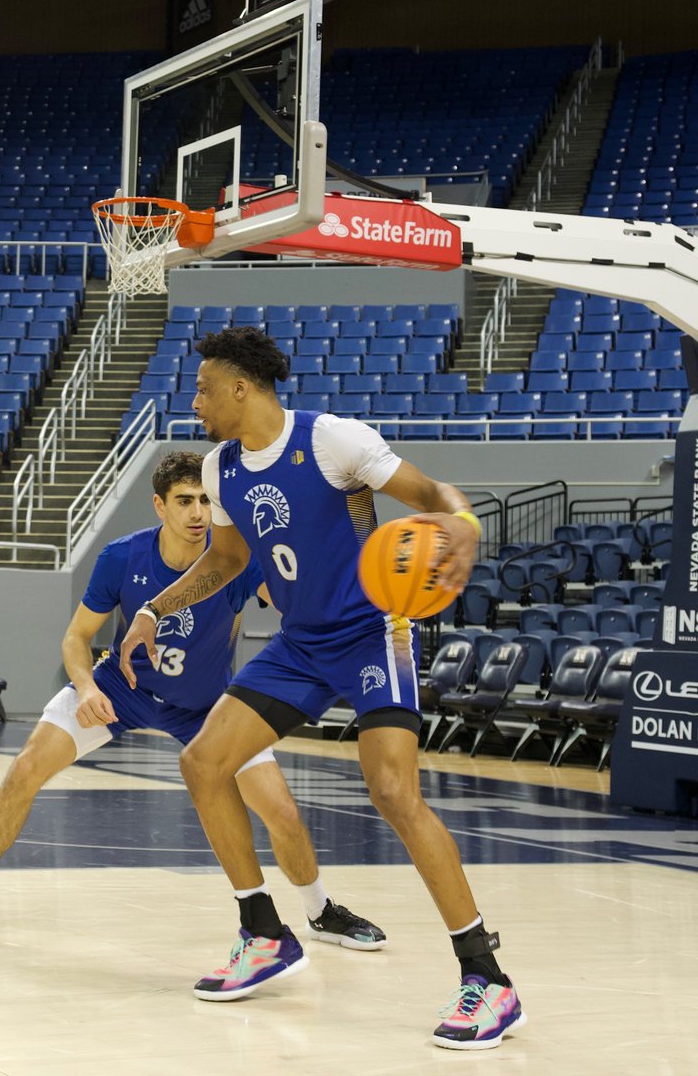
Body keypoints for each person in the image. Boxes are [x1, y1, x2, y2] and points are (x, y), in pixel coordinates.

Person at [119, 328, 526, 1051]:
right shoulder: (219, 469)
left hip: (375, 632)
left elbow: (429, 492)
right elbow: (229, 560)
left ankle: (486, 978)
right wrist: (155, 609)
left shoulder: (331, 438)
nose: (196, 400)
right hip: (300, 645)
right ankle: (264, 933)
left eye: (205, 386)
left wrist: (458, 522)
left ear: (243, 387)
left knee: (394, 792)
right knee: (203, 762)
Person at [0, 450, 385, 1000]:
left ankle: (320, 911)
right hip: (121, 689)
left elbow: (290, 599)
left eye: (206, 500)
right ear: (160, 505)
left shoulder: (237, 557)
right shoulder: (120, 557)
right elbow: (75, 638)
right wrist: (85, 687)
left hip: (205, 705)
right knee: (26, 767)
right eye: (185, 501)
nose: (198, 512)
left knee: (279, 808)